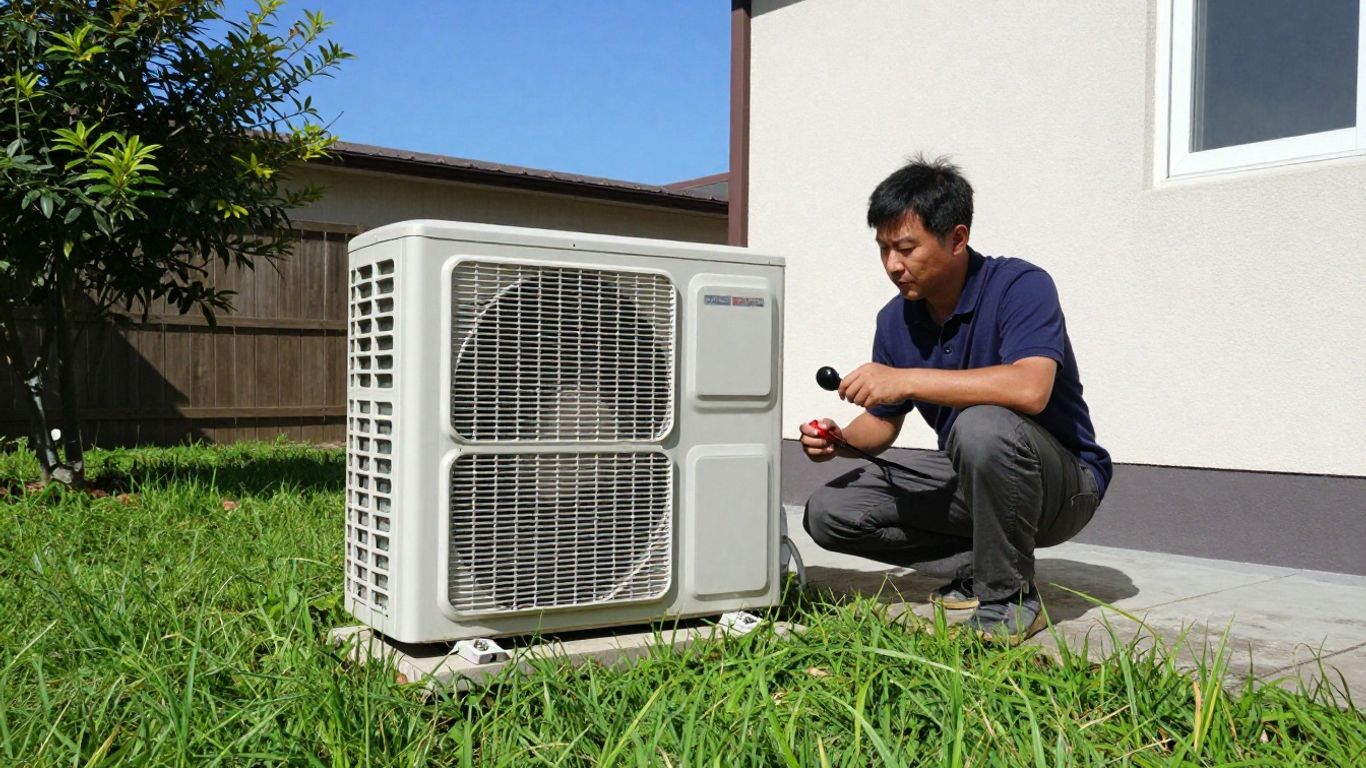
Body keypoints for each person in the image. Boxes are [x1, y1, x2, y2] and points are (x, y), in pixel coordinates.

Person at [800, 155, 1111, 645]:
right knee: (829, 511)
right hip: (975, 474)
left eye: (906, 248)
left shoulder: (1020, 286)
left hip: (1064, 485)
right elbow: (882, 424)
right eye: (883, 249)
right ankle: (982, 568)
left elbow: (1030, 389)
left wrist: (906, 379)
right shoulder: (894, 320)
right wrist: (839, 440)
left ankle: (1008, 598)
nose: (893, 265)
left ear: (957, 238)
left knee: (980, 425)